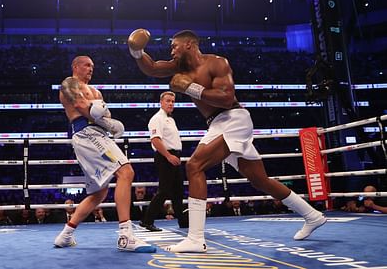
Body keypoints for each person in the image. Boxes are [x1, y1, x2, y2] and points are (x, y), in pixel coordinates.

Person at [128, 29, 326, 252]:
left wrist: (190, 87)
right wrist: (136, 51)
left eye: (175, 46)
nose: (171, 50)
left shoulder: (216, 63)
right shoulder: (179, 67)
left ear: (189, 45)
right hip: (217, 124)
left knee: (194, 166)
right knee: (260, 180)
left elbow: (227, 98)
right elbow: (152, 68)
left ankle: (195, 238)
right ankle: (313, 215)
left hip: (233, 118)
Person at [53, 55, 156, 253]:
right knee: (126, 172)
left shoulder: (96, 91)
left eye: (93, 66)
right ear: (75, 66)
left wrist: (108, 122)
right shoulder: (69, 83)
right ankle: (126, 236)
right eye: (87, 65)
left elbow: (104, 115)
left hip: (97, 134)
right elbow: (82, 107)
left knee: (98, 193)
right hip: (86, 133)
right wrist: (103, 119)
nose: (91, 69)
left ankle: (65, 235)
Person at [140, 91, 187, 232]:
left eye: (173, 101)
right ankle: (147, 221)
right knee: (164, 191)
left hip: (174, 156)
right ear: (161, 102)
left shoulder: (170, 119)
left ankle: (183, 221)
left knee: (178, 191)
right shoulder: (157, 118)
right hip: (165, 157)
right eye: (168, 101)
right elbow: (155, 139)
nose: (171, 103)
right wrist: (168, 156)